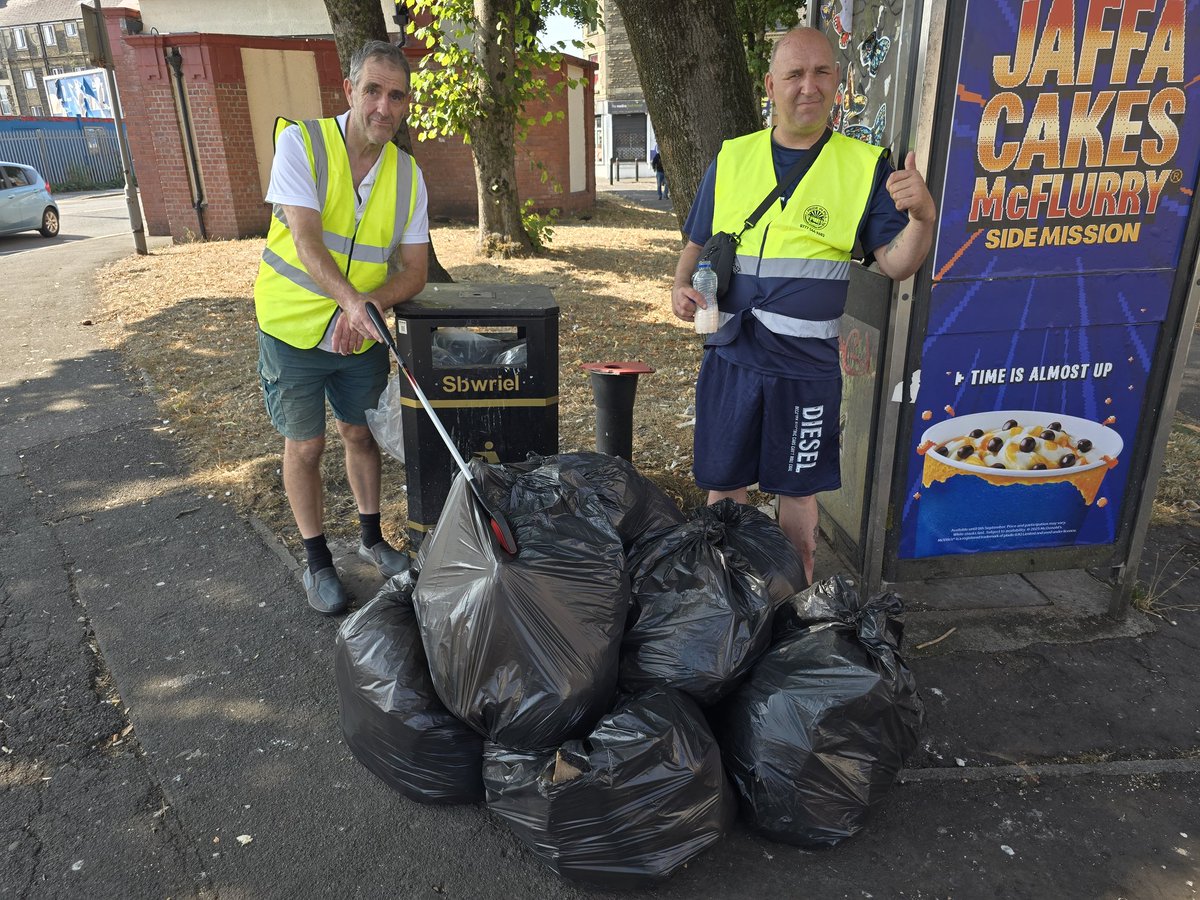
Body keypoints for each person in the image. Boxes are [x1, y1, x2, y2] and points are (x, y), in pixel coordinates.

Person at [670, 26, 935, 585]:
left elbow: (896, 263)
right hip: (732, 353)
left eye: (821, 73)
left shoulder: (865, 168)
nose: (807, 86)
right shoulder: (733, 158)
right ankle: (728, 606)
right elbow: (697, 241)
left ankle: (797, 606)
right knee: (725, 490)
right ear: (771, 84)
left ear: (838, 82)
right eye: (794, 74)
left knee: (797, 498)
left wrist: (922, 220)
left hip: (804, 369)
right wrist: (679, 285)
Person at [254, 40, 429, 615]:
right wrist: (350, 302)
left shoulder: (408, 176)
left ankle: (372, 538)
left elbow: (416, 271)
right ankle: (317, 561)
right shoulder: (300, 143)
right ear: (349, 90)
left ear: (406, 105)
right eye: (372, 90)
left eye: (396, 95)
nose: (383, 105)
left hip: (361, 334)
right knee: (306, 445)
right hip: (294, 330)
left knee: (360, 435)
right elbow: (305, 240)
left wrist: (367, 306)